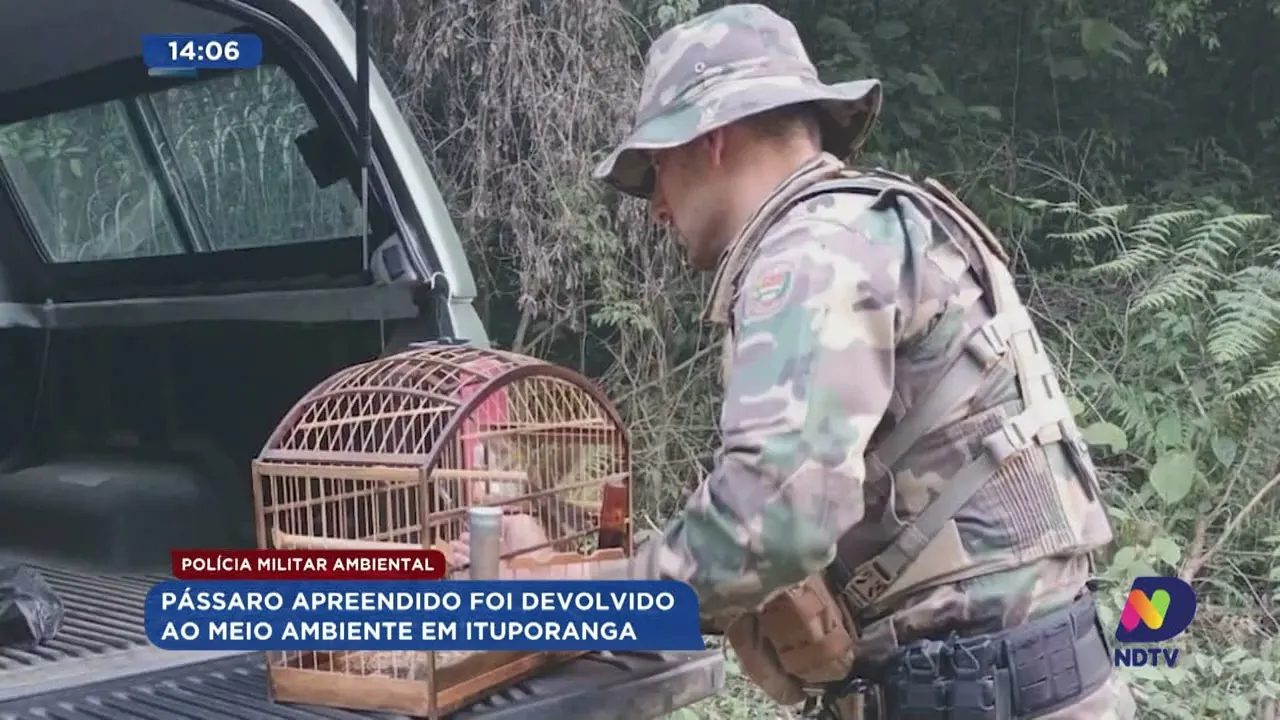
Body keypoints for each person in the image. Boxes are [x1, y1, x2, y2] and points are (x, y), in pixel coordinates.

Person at [467, 4, 1136, 718]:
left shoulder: (812, 249)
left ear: (714, 140)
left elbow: (774, 519)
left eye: (658, 169)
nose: (656, 205)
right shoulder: (863, 224)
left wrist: (561, 604)